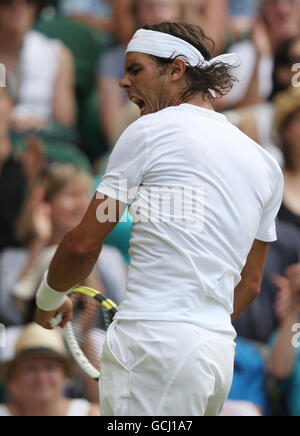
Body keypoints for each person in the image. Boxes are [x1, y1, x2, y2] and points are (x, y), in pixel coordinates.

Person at [34, 22, 283, 417]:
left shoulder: (147, 131)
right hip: (215, 354)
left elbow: (83, 243)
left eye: (135, 70)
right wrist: (193, 331)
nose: (122, 83)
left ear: (176, 69)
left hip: (154, 346)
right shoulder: (267, 165)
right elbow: (250, 285)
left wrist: (47, 300)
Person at [0, 0, 76, 131]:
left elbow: (65, 123)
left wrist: (40, 125)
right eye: (8, 1)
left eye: (28, 1)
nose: (18, 7)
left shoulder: (57, 54)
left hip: (43, 139)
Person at [0, 323, 100, 416]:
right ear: (13, 377)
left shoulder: (89, 413)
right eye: (31, 369)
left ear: (65, 374)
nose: (41, 377)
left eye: (49, 368)